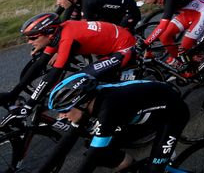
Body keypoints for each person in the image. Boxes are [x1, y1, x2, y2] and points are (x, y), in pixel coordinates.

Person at [43, 73, 189, 173]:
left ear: (82, 102)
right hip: (137, 118)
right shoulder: (89, 105)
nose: (61, 115)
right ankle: (130, 167)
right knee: (99, 150)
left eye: (64, 110)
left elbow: (93, 156)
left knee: (153, 170)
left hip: (172, 115)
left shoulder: (109, 106)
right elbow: (65, 144)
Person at [0, 13, 135, 114]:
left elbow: (53, 74)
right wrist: (14, 93)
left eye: (33, 37)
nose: (29, 42)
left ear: (49, 33)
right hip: (113, 39)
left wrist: (29, 105)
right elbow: (40, 64)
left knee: (82, 79)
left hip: (123, 47)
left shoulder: (67, 39)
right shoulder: (57, 34)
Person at [135, 0, 204, 69]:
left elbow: (163, 25)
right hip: (189, 13)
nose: (144, 1)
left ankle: (195, 67)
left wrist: (146, 43)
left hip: (202, 13)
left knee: (183, 49)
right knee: (164, 36)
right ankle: (181, 61)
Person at [52, 0, 141, 31]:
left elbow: (85, 28)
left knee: (119, 36)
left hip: (129, 10)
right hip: (114, 10)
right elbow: (72, 20)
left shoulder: (87, 2)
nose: (57, 3)